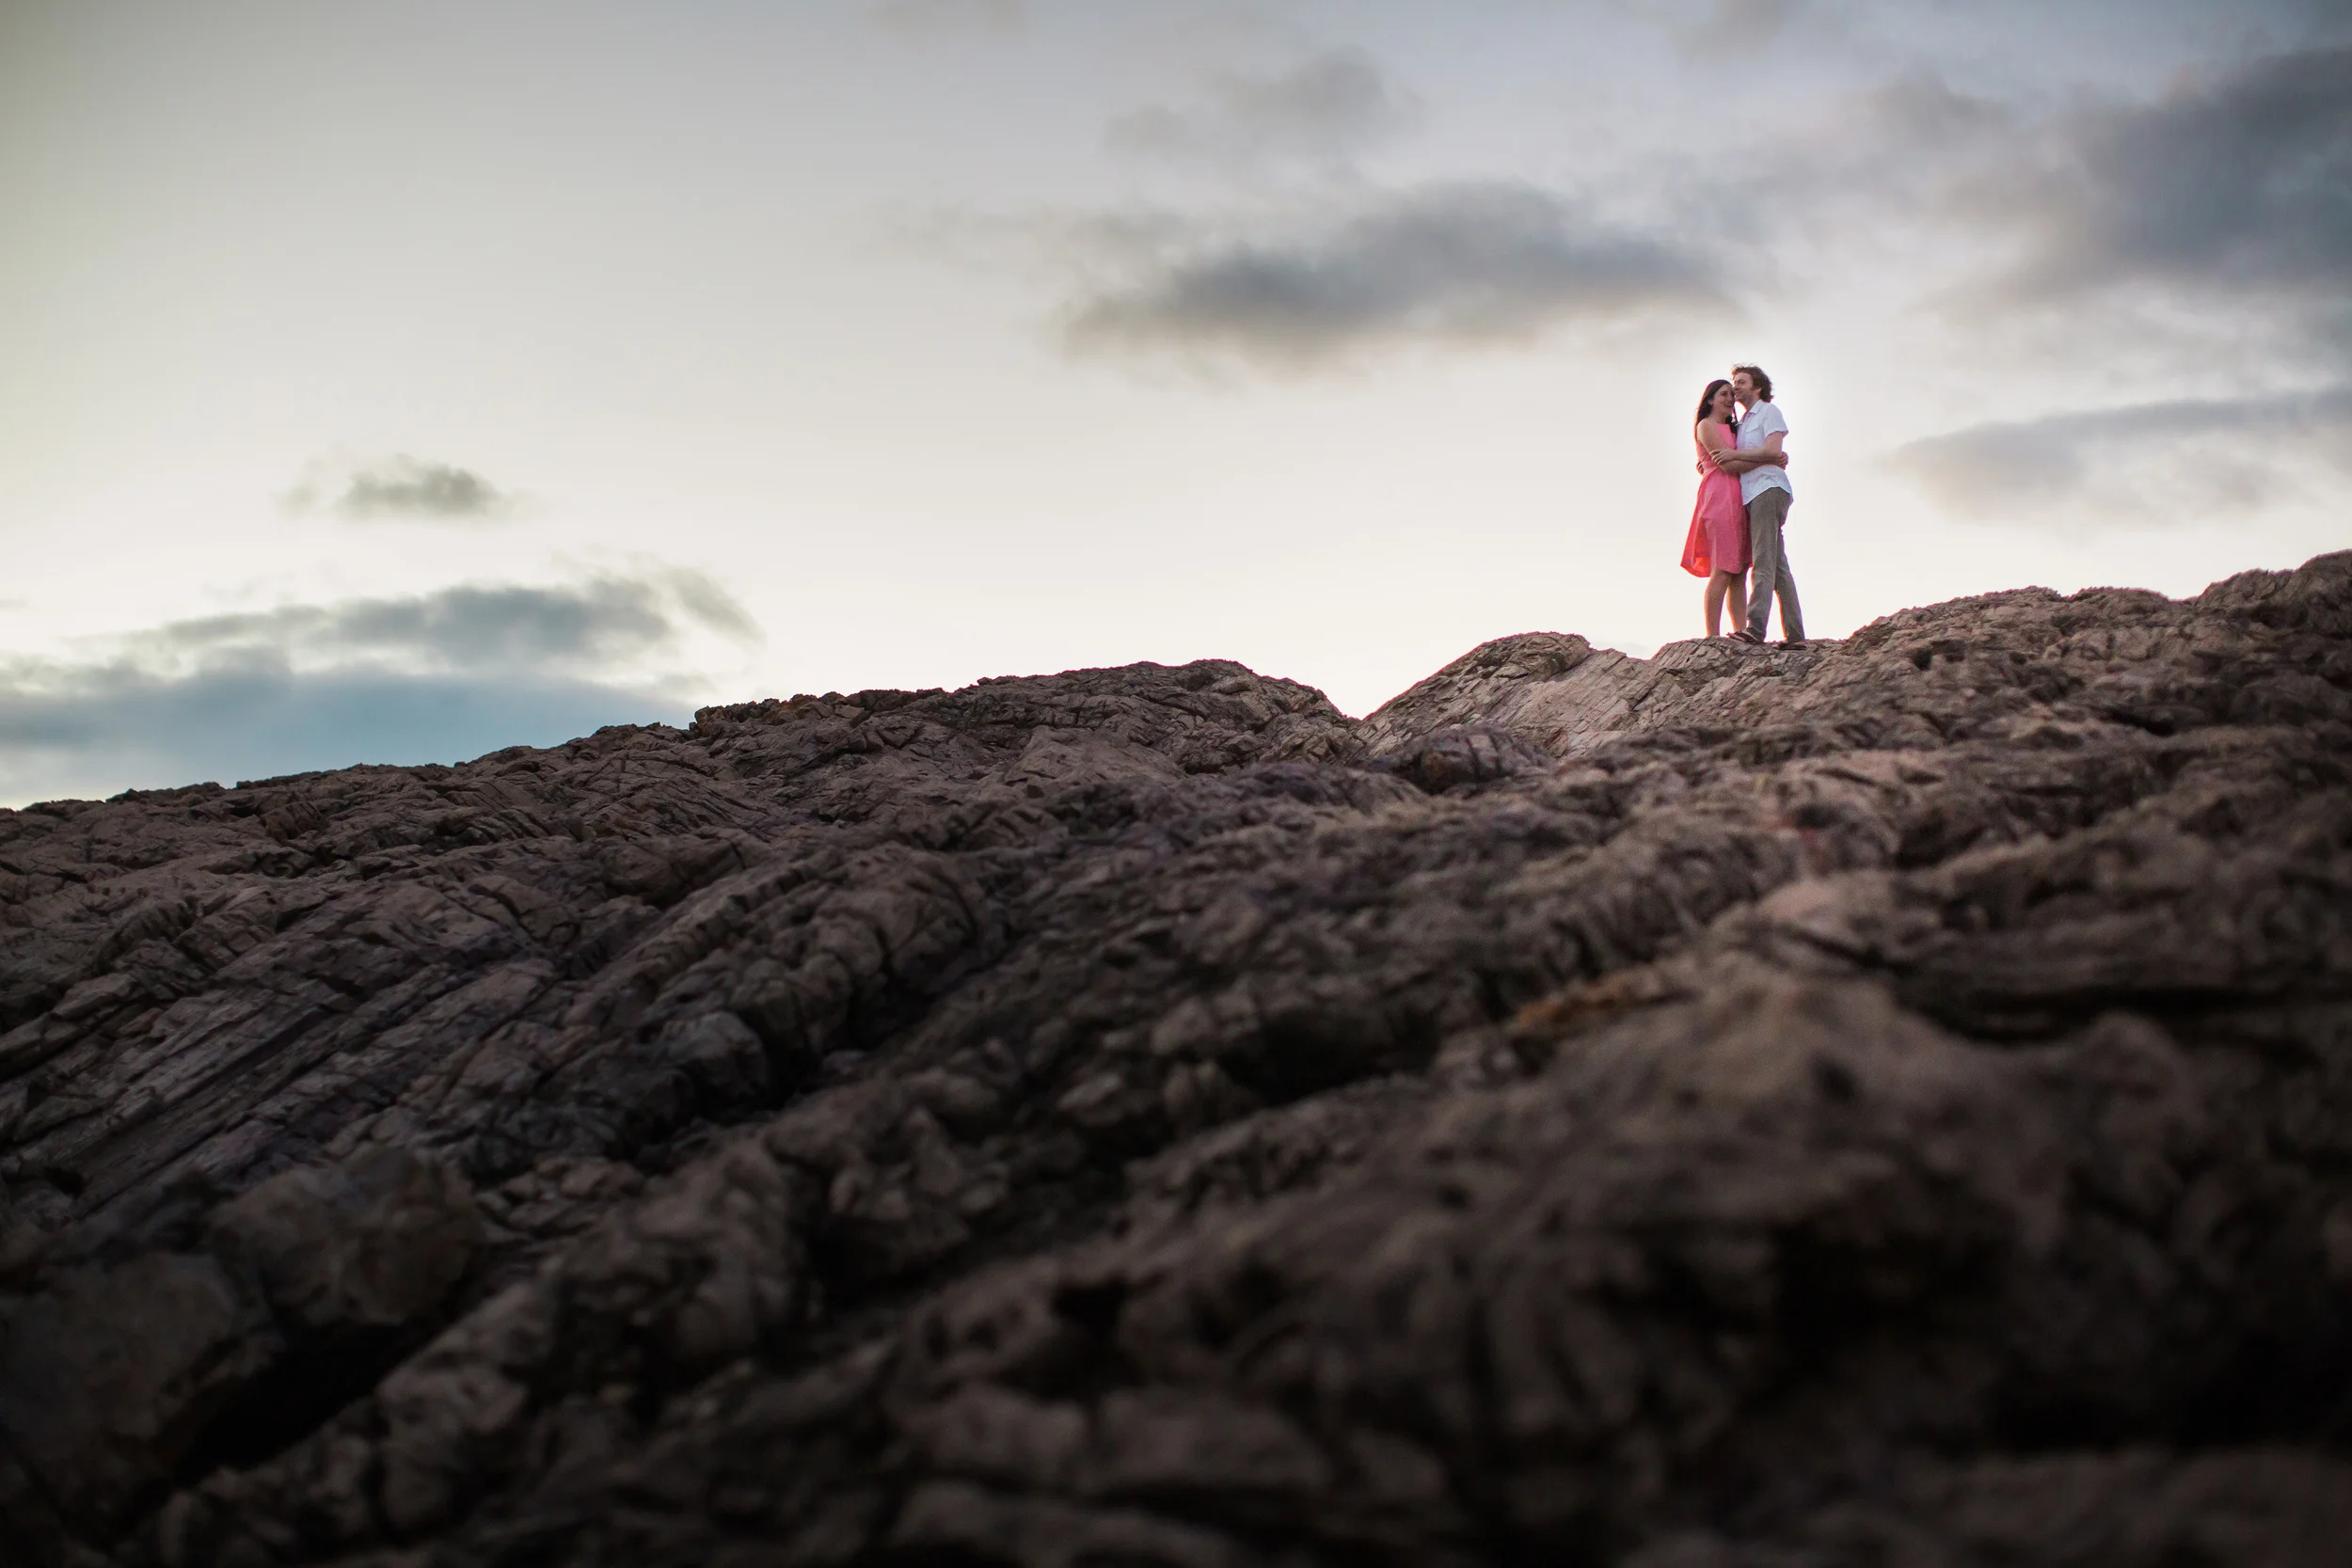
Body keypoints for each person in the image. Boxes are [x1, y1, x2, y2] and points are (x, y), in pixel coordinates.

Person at [1680, 378, 1762, 637]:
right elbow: (1725, 464)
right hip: (1719, 497)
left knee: (1739, 571)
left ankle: (1740, 631)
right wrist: (1766, 460)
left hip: (1740, 497)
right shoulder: (1706, 425)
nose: (1730, 399)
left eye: (1731, 394)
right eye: (1724, 394)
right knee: (1723, 570)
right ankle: (1712, 636)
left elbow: (1735, 458)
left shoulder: (1736, 429)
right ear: (1710, 399)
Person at [1728, 364, 1801, 646]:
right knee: (1779, 566)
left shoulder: (1768, 412)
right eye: (1735, 381)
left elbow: (1773, 450)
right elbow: (1741, 459)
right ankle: (1796, 635)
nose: (1736, 386)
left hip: (1768, 489)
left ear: (1757, 386)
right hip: (1754, 493)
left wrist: (1741, 456)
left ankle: (1755, 628)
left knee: (1763, 559)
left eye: (1742, 381)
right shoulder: (1744, 422)